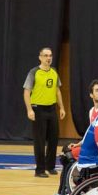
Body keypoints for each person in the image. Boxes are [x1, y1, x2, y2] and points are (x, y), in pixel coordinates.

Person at [23, 47, 66, 178]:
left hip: (51, 108)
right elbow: (26, 92)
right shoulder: (34, 72)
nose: (48, 58)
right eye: (46, 55)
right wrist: (29, 109)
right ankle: (39, 169)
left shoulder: (53, 72)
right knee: (40, 141)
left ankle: (50, 166)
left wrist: (62, 108)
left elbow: (57, 91)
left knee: (53, 139)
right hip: (38, 109)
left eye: (50, 55)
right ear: (40, 57)